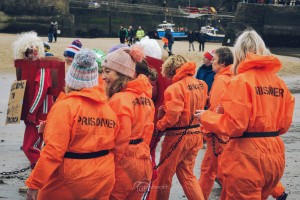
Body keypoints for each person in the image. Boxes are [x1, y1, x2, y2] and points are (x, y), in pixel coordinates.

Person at [194, 29, 295, 200]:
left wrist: (206, 116)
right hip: (275, 153)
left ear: (239, 52)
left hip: (247, 155)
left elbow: (234, 126)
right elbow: (284, 124)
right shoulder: (279, 83)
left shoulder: (241, 81)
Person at [26, 49, 120, 200]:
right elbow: (113, 143)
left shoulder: (65, 107)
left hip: (71, 178)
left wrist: (34, 184)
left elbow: (53, 151)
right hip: (103, 175)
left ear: (70, 79)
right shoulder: (107, 109)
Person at [149, 55, 208, 200]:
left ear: (170, 70)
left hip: (177, 136)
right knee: (187, 175)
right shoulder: (201, 84)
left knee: (163, 176)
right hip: (195, 132)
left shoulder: (174, 88)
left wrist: (159, 125)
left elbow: (172, 117)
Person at [12, 31, 64, 192]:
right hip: (35, 113)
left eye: (34, 51)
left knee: (30, 147)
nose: (32, 55)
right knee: (37, 146)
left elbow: (41, 89)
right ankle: (36, 181)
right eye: (28, 52)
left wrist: (32, 113)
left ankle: (40, 181)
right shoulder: (29, 66)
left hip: (40, 114)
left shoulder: (43, 66)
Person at [101, 45, 154, 199]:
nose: (103, 76)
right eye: (103, 71)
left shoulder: (119, 99)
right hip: (143, 160)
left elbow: (119, 140)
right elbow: (149, 131)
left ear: (122, 74)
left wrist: (109, 166)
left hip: (123, 163)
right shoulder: (146, 98)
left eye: (108, 71)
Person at [198, 47, 233, 200]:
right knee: (208, 170)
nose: (212, 62)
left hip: (217, 133)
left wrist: (207, 126)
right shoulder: (233, 77)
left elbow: (217, 108)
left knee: (221, 172)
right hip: (223, 131)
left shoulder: (221, 79)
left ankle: (277, 192)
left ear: (223, 63)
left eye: (214, 60)